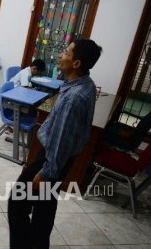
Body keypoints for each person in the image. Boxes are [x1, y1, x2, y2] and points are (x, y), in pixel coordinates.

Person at [7, 39, 102, 248]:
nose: (61, 55)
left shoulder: (74, 98)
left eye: (67, 52)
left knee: (17, 204)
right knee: (44, 207)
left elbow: (59, 141)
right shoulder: (86, 83)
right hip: (61, 158)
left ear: (76, 63)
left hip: (51, 160)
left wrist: (46, 172)